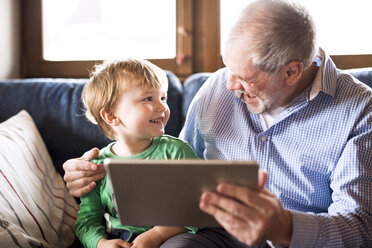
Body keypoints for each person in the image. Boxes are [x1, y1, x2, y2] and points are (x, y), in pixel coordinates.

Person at [64, 0, 372, 247]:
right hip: (212, 236)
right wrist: (88, 176)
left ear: (292, 72)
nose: (229, 85)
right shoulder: (218, 87)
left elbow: (360, 227)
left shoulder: (360, 111)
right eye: (228, 69)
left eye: (244, 78)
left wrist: (283, 227)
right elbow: (177, 177)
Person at [74, 58, 199, 248]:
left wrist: (157, 234)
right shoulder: (97, 165)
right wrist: (100, 244)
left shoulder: (177, 152)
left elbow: (196, 209)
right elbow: (87, 221)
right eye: (148, 98)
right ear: (111, 116)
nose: (162, 107)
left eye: (163, 98)